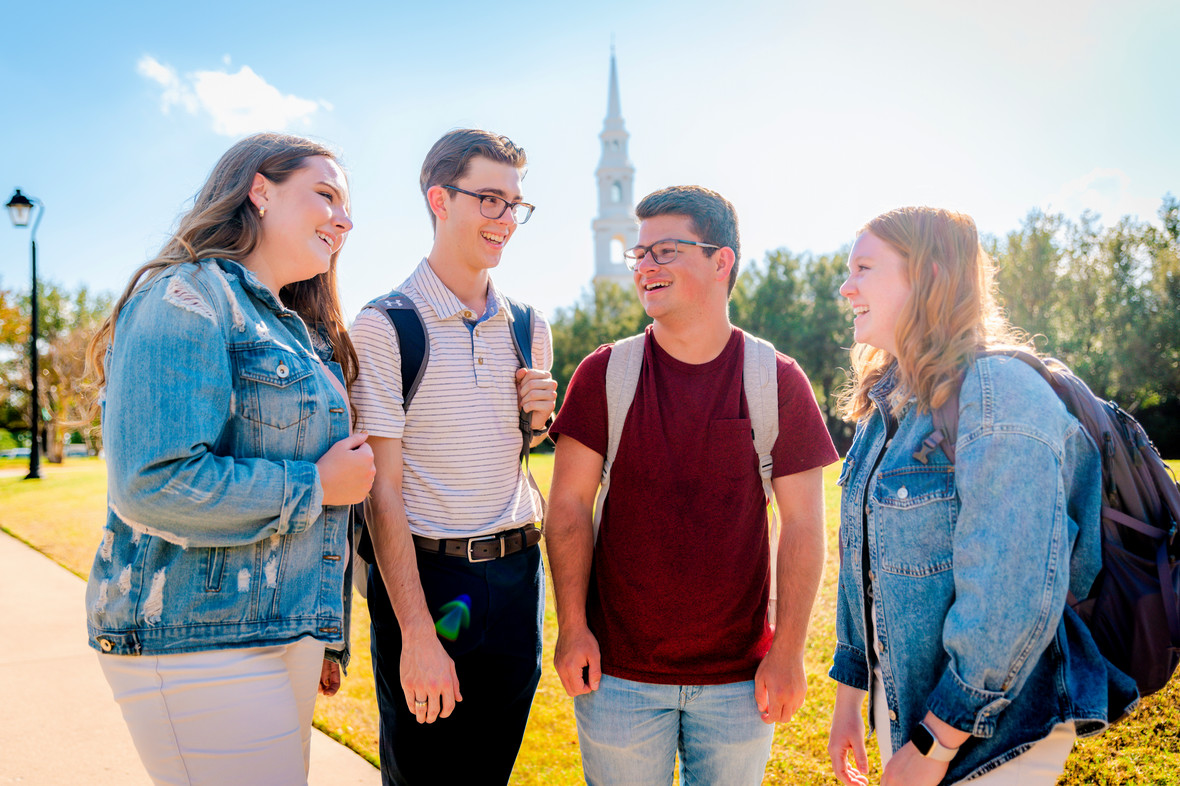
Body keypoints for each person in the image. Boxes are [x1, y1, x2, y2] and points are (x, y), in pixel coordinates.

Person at [84, 132, 376, 785]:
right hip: (195, 636)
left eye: (347, 205)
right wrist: (317, 485)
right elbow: (153, 483)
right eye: (325, 194)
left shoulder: (295, 330)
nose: (345, 218)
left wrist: (326, 636)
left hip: (281, 634)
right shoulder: (185, 296)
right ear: (261, 191)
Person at [826, 206, 1138, 786]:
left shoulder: (999, 394)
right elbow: (858, 563)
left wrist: (934, 743)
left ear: (930, 277)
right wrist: (851, 696)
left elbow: (1010, 592)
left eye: (864, 268)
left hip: (992, 739)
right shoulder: (889, 403)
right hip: (908, 711)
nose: (846, 287)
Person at [546, 185, 838, 785]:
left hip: (738, 682)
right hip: (618, 678)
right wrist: (573, 628)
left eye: (666, 251)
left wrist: (787, 655)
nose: (646, 267)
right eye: (640, 254)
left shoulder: (776, 381)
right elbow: (570, 508)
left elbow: (805, 526)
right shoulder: (605, 374)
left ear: (720, 260)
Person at [349, 128, 557, 786]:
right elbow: (381, 492)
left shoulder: (530, 326)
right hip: (431, 583)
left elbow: (509, 453)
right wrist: (416, 632)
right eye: (490, 200)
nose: (506, 221)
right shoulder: (385, 326)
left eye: (515, 204)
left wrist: (538, 419)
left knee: (490, 774)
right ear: (440, 199)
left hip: (520, 575)